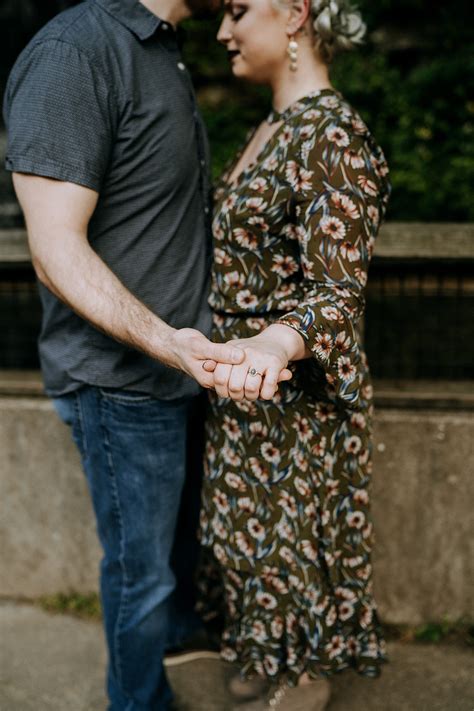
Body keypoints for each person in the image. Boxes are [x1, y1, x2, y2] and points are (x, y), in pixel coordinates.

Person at [0, 0, 280, 708]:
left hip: (182, 371)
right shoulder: (74, 52)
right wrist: (168, 343)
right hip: (120, 384)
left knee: (172, 572)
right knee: (142, 577)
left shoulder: (163, 47)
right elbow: (54, 248)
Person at [198, 0, 391, 708]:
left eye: (238, 9)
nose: (223, 31)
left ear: (296, 13)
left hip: (293, 394)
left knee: (291, 547)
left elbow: (337, 292)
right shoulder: (277, 125)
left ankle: (304, 676)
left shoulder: (331, 133)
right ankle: (263, 649)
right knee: (246, 543)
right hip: (243, 386)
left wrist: (274, 341)